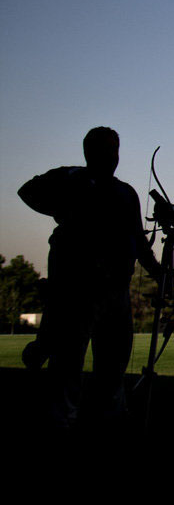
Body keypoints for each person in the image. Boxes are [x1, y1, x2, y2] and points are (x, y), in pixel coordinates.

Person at [19, 127, 161, 428]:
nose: (111, 157)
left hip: (116, 291)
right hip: (77, 291)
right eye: (104, 151)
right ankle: (62, 418)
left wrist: (159, 273)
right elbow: (28, 191)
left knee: (114, 361)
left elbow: (136, 239)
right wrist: (67, 211)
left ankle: (108, 416)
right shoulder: (71, 179)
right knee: (68, 360)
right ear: (89, 153)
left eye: (114, 151)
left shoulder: (125, 193)